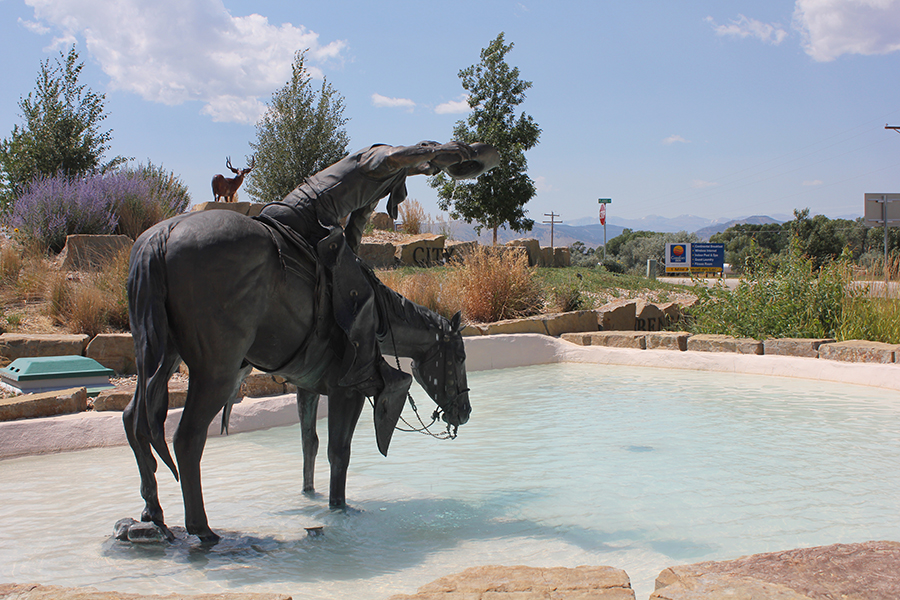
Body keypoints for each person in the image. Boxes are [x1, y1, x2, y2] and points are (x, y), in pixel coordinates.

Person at [258, 140, 499, 411]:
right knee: (362, 301)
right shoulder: (378, 158)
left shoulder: (384, 183)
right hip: (306, 221)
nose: (430, 171)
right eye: (430, 167)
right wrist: (441, 152)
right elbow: (397, 157)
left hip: (311, 223)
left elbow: (356, 227)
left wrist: (352, 264)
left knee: (354, 286)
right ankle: (361, 372)